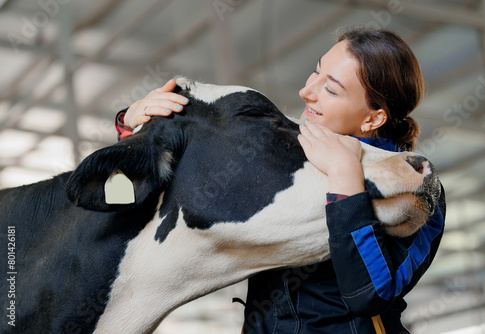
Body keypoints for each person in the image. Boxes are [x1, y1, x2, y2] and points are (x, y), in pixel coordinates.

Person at [115, 26, 446, 334]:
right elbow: (189, 185)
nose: (306, 91)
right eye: (316, 71)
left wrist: (346, 177)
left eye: (330, 88)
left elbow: (370, 293)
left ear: (374, 117)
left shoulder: (415, 183)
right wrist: (133, 126)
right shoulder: (291, 151)